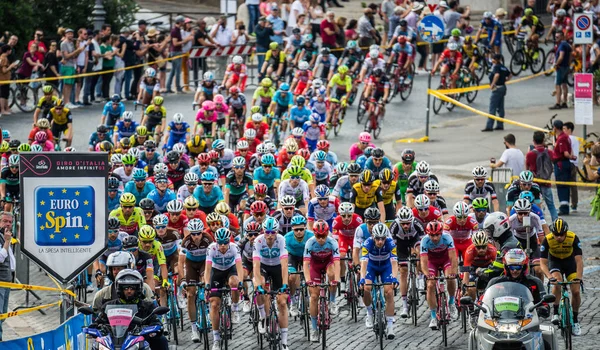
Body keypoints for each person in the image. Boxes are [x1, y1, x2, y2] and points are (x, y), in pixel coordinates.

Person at [91, 269, 169, 350]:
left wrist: (154, 327)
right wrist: (94, 326)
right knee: (96, 345)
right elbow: (99, 321)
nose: (129, 291)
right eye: (125, 288)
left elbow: (156, 321)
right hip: (113, 342)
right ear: (120, 288)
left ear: (138, 288)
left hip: (140, 340)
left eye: (132, 288)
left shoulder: (148, 306)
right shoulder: (108, 306)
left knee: (161, 340)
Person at [540, 218, 583, 336]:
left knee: (575, 291)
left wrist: (578, 277)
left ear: (566, 233)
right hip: (555, 262)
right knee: (557, 282)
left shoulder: (573, 237)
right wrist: (549, 277)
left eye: (561, 235)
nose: (559, 237)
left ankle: (574, 319)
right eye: (556, 235)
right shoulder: (547, 240)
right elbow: (543, 263)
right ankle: (555, 312)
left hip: (570, 263)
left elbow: (579, 261)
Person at [358, 223, 398, 338]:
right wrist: (362, 279)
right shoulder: (367, 244)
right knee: (366, 288)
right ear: (373, 237)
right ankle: (369, 313)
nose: (380, 241)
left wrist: (395, 277)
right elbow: (364, 264)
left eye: (382, 239)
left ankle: (390, 326)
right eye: (377, 238)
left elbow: (394, 263)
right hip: (372, 267)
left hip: (386, 267)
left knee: (389, 292)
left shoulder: (391, 243)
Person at [303, 220, 341, 341]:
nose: (320, 239)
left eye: (323, 236)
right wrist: (308, 280)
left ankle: (332, 301)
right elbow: (306, 264)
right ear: (314, 234)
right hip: (315, 266)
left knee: (331, 274)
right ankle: (314, 329)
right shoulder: (310, 243)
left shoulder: (332, 242)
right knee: (314, 297)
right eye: (318, 236)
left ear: (327, 233)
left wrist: (337, 279)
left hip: (328, 263)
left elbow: (337, 262)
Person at [486, 248, 548, 317]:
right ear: (506, 267)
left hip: (527, 318)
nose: (515, 270)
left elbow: (544, 303)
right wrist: (478, 307)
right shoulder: (495, 282)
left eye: (518, 267)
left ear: (524, 267)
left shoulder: (535, 282)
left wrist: (543, 309)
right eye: (511, 267)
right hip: (499, 318)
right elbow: (483, 301)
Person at [420, 221, 458, 330]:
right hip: (432, 262)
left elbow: (453, 257)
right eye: (432, 235)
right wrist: (427, 275)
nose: (435, 238)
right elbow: (423, 261)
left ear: (441, 233)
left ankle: (451, 302)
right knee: (430, 285)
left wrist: (453, 272)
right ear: (428, 234)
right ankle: (433, 316)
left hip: (445, 260)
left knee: (450, 278)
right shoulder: (424, 241)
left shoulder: (447, 238)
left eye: (437, 235)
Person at [525, 131, 558, 221]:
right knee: (551, 205)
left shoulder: (530, 154)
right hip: (546, 182)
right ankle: (555, 222)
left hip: (535, 184)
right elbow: (555, 160)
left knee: (535, 205)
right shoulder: (549, 152)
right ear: (543, 140)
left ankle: (539, 222)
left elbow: (527, 169)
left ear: (533, 141)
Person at [551, 119, 576, 215]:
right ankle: (563, 206)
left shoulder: (562, 138)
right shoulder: (563, 137)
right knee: (563, 185)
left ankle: (564, 207)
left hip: (561, 164)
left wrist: (571, 157)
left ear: (555, 128)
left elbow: (565, 153)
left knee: (562, 185)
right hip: (562, 163)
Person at [482, 54, 511, 132]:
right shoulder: (503, 67)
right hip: (503, 88)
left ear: (497, 60)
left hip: (497, 88)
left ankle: (489, 126)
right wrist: (505, 80)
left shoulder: (496, 67)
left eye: (493, 59)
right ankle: (500, 124)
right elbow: (510, 74)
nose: (492, 60)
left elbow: (497, 75)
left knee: (492, 107)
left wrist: (492, 84)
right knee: (500, 107)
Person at [0, 212, 14, 341]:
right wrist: (7, 241)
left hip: (7, 281)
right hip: (1, 282)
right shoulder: (5, 238)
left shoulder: (5, 236)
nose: (8, 224)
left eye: (10, 222)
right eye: (5, 221)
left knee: (3, 315)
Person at [549, 31, 571, 110]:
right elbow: (570, 56)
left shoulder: (561, 46)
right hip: (566, 67)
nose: (556, 38)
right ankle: (564, 102)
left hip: (560, 67)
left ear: (562, 37)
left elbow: (561, 57)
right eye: (555, 37)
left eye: (558, 37)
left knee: (557, 85)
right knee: (564, 84)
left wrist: (556, 64)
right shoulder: (567, 45)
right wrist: (568, 65)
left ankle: (558, 103)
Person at [563, 122, 579, 212]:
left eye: (564, 129)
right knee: (573, 185)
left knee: (568, 184)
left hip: (570, 162)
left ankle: (569, 203)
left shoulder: (568, 138)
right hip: (575, 163)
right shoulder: (575, 139)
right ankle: (574, 204)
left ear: (569, 130)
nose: (563, 131)